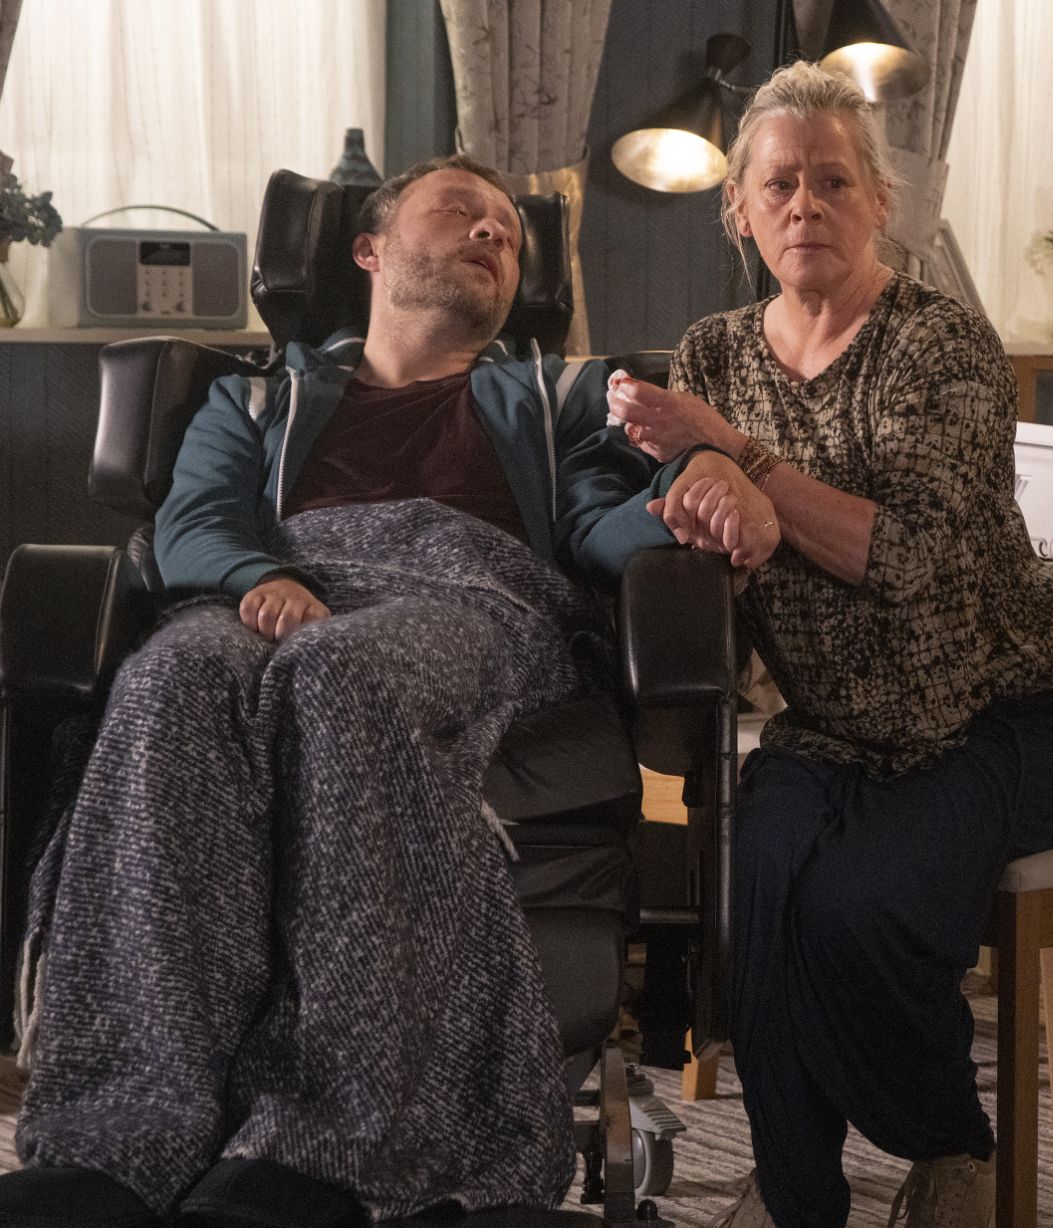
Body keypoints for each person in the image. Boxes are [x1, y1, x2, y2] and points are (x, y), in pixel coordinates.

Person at [0, 154, 736, 1228]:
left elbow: (596, 525)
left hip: (470, 599)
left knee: (339, 671)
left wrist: (689, 486)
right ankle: (114, 1145)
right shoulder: (255, 396)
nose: (492, 233)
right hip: (278, 592)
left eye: (507, 231)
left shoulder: (556, 395)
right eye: (460, 211)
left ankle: (329, 1150)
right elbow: (195, 522)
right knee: (170, 676)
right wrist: (262, 578)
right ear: (370, 250)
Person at [606, 61, 1053, 1228]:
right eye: (778, 184)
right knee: (751, 898)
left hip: (999, 721)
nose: (805, 205)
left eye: (832, 181)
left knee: (853, 911)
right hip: (829, 731)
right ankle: (797, 1198)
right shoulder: (715, 352)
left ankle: (950, 1147)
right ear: (739, 211)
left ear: (879, 201)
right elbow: (706, 530)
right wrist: (717, 515)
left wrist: (743, 462)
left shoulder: (943, 345)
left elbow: (908, 556)